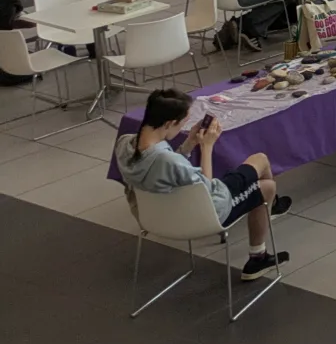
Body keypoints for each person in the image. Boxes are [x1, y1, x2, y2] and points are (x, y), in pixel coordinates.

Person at [115, 89, 292, 280]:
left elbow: (169, 170)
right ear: (169, 123)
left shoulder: (125, 144)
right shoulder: (168, 160)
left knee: (259, 176)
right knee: (265, 176)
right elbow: (208, 192)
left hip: (152, 217)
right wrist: (206, 147)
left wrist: (189, 144)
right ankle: (258, 254)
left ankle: (269, 208)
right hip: (205, 214)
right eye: (182, 123)